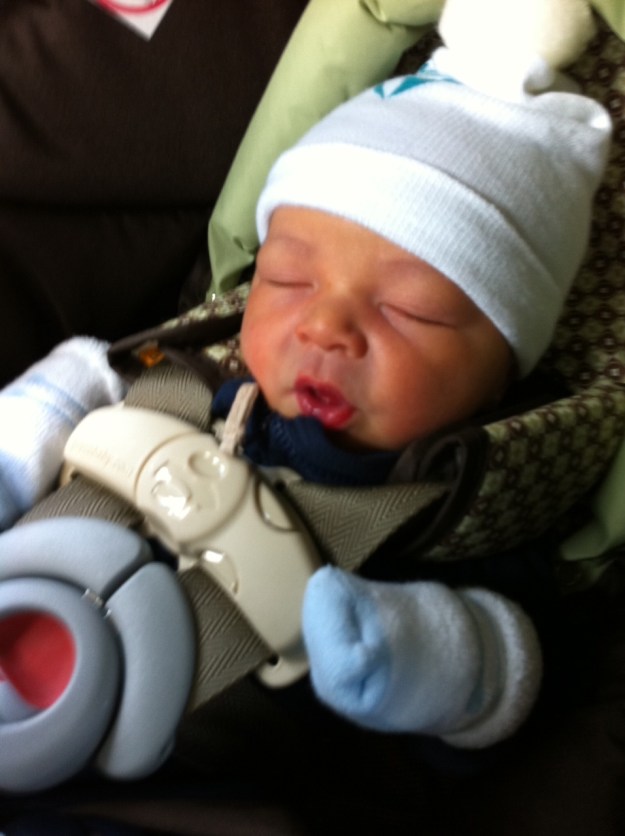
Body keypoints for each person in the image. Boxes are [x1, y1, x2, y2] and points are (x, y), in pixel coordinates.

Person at [0, 46, 611, 751]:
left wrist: (416, 653)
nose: (323, 326)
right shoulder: (185, 378)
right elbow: (84, 374)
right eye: (288, 279)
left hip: (182, 758)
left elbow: (511, 667)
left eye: (410, 310)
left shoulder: (470, 509)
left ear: (502, 371)